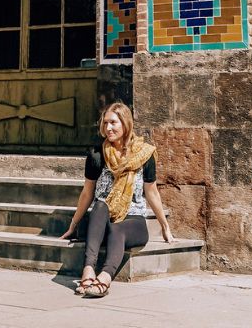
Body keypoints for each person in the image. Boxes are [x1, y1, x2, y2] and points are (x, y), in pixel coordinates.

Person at [60, 101, 173, 298]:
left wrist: (164, 225)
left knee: (117, 227)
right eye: (105, 123)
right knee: (100, 204)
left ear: (125, 123)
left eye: (113, 122)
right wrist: (74, 223)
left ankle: (105, 276)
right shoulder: (97, 154)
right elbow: (87, 193)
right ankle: (88, 270)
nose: (108, 128)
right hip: (101, 221)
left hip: (132, 221)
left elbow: (152, 192)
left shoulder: (144, 154)